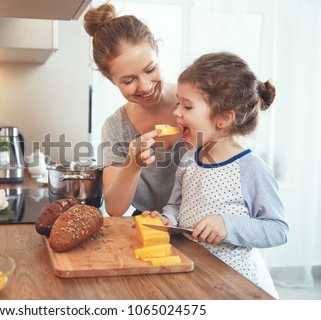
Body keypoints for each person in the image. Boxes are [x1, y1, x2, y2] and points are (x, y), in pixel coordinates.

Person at [147, 52, 289, 297]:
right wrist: (167, 220)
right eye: (178, 103)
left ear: (224, 117)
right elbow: (175, 205)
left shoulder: (250, 169)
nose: (177, 112)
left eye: (188, 106)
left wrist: (228, 225)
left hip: (237, 287)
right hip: (199, 278)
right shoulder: (189, 158)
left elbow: (278, 230)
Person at [84, 3, 185, 216]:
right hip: (150, 231)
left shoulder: (199, 103)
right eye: (129, 80)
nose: (146, 86)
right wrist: (133, 164)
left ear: (157, 52)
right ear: (111, 80)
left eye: (150, 69)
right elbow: (114, 209)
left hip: (205, 233)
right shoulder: (115, 127)